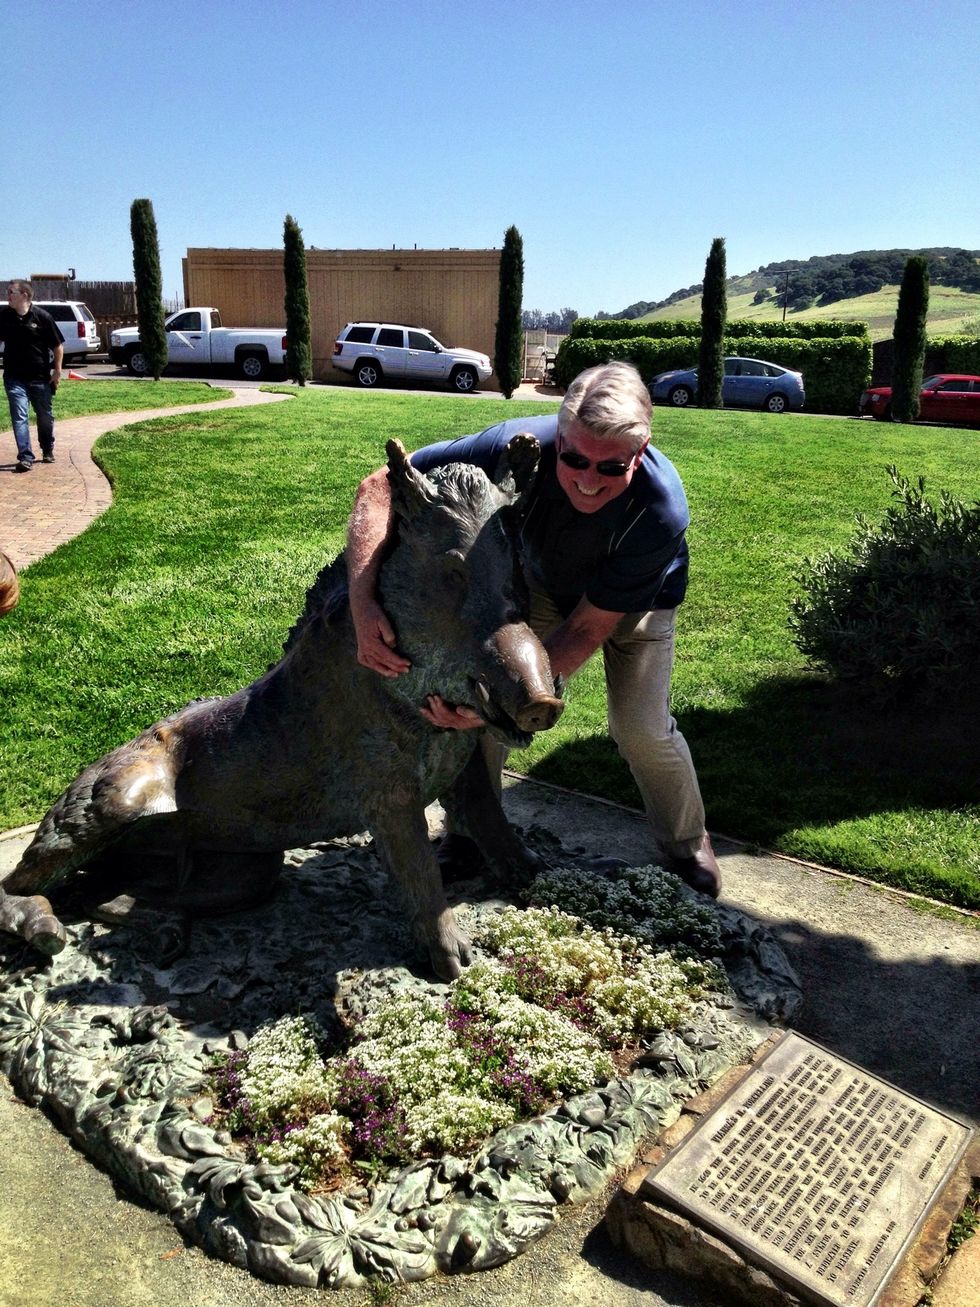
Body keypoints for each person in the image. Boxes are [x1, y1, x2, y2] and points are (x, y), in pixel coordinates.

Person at [346, 361, 720, 897]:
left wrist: (515, 701)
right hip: (541, 582)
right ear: (559, 437)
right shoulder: (510, 446)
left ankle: (686, 841)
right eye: (575, 459)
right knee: (483, 702)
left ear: (640, 452)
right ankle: (472, 832)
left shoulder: (659, 509)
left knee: (641, 729)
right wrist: (363, 604)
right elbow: (379, 487)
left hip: (636, 603)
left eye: (611, 467)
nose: (589, 480)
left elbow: (587, 628)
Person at [1, 280, 63, 472]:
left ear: (24, 295)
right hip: (14, 377)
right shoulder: (4, 317)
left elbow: (57, 345)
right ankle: (25, 456)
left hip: (40, 377)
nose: (8, 296)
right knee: (19, 416)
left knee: (45, 416)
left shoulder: (42, 317)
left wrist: (57, 371)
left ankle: (47, 448)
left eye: (11, 292)